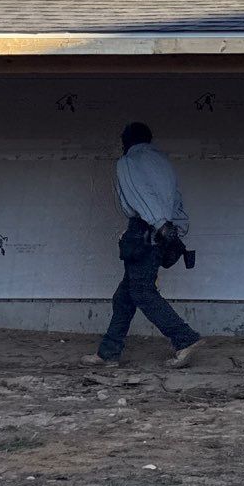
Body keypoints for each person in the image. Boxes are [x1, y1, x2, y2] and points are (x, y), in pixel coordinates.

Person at [82, 122, 204, 369]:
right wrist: (174, 227)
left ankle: (184, 339)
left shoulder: (129, 161)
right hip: (163, 229)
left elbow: (140, 195)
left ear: (127, 140)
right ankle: (109, 352)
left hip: (146, 229)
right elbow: (176, 198)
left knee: (141, 291)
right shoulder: (163, 163)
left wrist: (158, 223)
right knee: (124, 297)